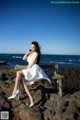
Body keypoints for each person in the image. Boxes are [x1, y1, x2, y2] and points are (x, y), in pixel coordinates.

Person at [8, 41, 51, 107]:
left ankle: (15, 91)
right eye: (31, 47)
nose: (32, 48)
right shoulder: (31, 54)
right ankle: (31, 99)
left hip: (33, 69)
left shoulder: (36, 53)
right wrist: (27, 52)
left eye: (33, 47)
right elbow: (23, 58)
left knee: (18, 72)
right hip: (30, 69)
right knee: (23, 81)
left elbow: (31, 64)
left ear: (36, 48)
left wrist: (26, 70)